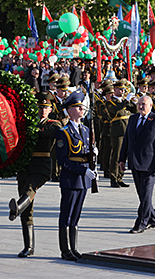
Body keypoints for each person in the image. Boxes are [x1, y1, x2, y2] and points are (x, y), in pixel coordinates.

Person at [8, 92, 62, 257]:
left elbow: (53, 132)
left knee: (30, 188)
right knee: (27, 207)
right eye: (40, 108)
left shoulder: (54, 124)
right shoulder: (26, 123)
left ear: (51, 109)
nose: (42, 111)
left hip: (43, 165)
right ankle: (28, 246)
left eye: (45, 108)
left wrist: (33, 127)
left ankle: (16, 207)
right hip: (25, 165)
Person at [119, 96, 155, 234]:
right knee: (142, 194)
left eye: (144, 104)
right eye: (139, 104)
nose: (141, 107)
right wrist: (122, 159)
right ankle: (152, 218)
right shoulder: (133, 119)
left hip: (150, 164)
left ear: (151, 105)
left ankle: (142, 222)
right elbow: (127, 141)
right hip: (135, 162)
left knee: (146, 194)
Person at [55, 90, 95, 261]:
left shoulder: (86, 130)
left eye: (82, 107)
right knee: (67, 214)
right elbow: (63, 160)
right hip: (71, 179)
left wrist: (93, 155)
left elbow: (85, 154)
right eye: (78, 107)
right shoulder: (63, 133)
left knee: (76, 215)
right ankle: (65, 250)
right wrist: (83, 170)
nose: (82, 110)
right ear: (69, 110)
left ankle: (74, 248)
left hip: (83, 180)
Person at [107, 79, 137, 188]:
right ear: (115, 90)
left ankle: (120, 177)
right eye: (120, 89)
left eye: (124, 89)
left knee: (123, 156)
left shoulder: (125, 101)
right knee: (116, 156)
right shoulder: (110, 102)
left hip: (127, 131)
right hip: (117, 132)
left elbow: (135, 112)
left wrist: (134, 103)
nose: (123, 91)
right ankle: (113, 178)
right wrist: (126, 101)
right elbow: (114, 111)